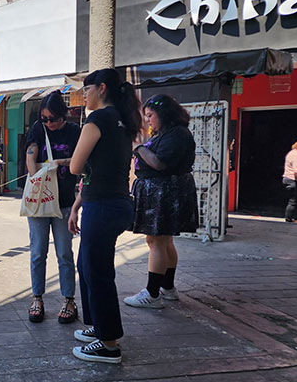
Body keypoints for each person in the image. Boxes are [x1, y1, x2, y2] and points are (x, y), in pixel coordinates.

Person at [68, 68, 142, 364]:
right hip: (116, 203)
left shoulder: (97, 120)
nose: (83, 95)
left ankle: (109, 344)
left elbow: (76, 166)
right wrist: (77, 205)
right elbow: (103, 167)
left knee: (97, 272)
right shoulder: (123, 121)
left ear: (101, 88)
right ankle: (100, 327)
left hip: (103, 207)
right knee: (87, 265)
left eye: (86, 89)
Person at [124, 95, 198, 309]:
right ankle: (168, 287)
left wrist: (137, 147)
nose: (147, 120)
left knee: (157, 241)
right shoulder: (170, 133)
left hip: (165, 192)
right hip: (165, 192)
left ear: (163, 114)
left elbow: (159, 163)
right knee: (164, 241)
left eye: (150, 116)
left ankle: (152, 293)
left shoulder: (176, 135)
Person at [24, 91, 81, 324]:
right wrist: (40, 172)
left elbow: (81, 161)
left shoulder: (75, 132)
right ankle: (37, 297)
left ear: (63, 115)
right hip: (39, 201)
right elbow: (30, 160)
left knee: (64, 254)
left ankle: (69, 299)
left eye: (53, 119)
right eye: (45, 118)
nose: (49, 123)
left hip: (65, 201)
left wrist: (60, 163)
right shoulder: (38, 128)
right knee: (38, 252)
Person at [283, 138, 297, 222]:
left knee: (293, 200)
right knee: (293, 200)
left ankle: (292, 217)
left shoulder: (292, 153)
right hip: (292, 180)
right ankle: (289, 218)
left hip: (288, 179)